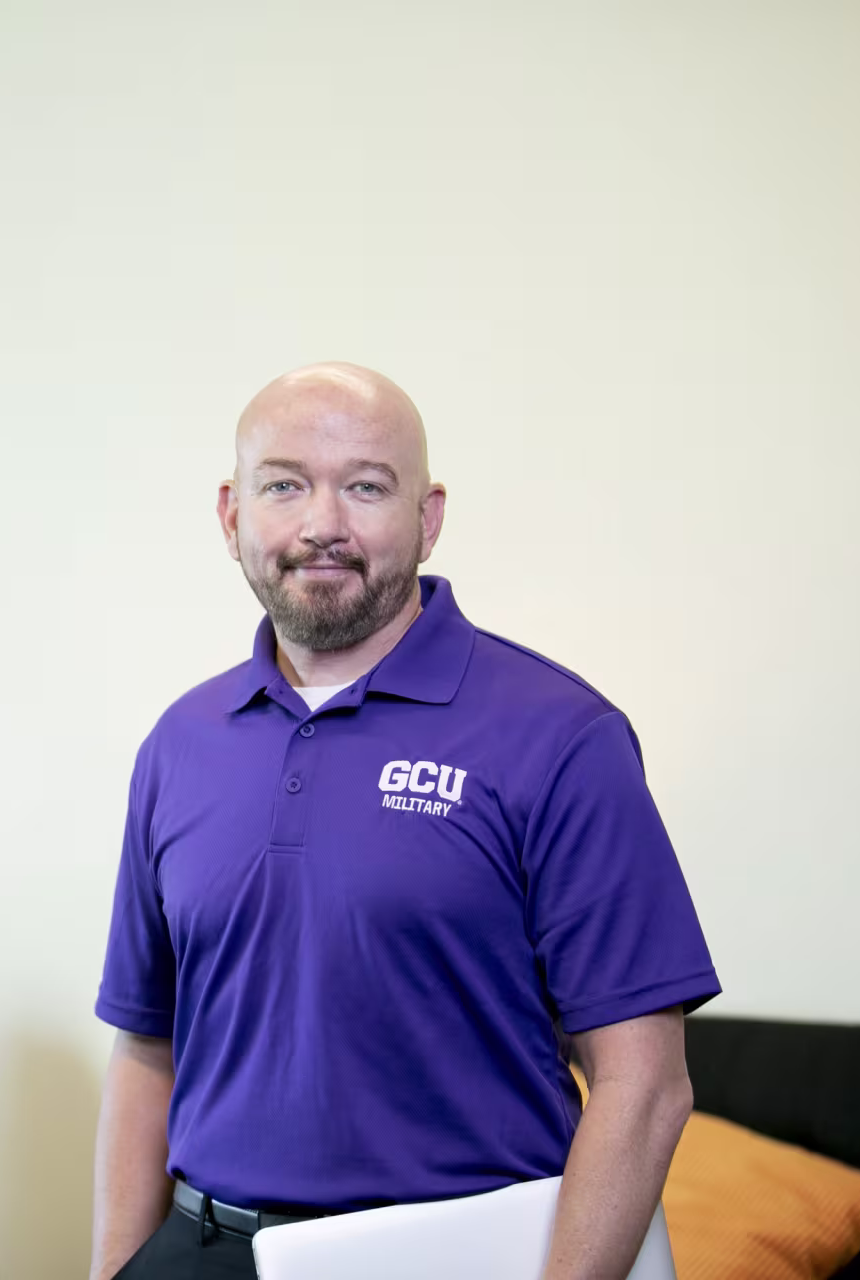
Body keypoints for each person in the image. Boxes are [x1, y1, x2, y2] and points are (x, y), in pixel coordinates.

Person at [89, 363, 720, 1280]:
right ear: (232, 516)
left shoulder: (561, 735)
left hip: (445, 1255)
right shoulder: (181, 743)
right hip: (204, 1249)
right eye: (284, 485)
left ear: (427, 517)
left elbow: (647, 1085)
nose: (322, 525)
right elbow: (147, 1049)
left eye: (366, 486)